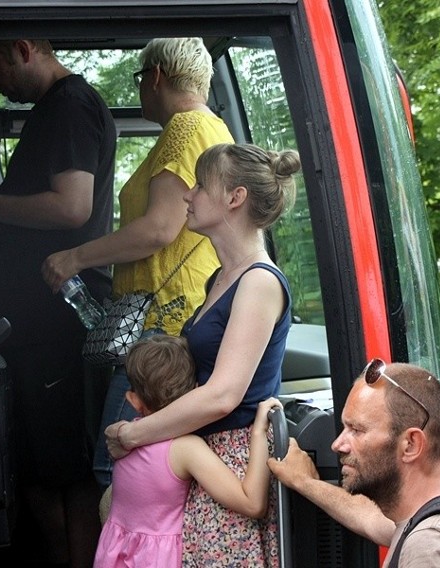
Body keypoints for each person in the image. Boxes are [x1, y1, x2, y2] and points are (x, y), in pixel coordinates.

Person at [41, 37, 232, 491]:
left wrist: (75, 257)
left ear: (156, 77)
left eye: (141, 78)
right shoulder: (216, 129)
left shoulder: (184, 129)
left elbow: (158, 229)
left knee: (117, 464)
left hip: (159, 326)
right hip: (180, 316)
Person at [105, 142, 300, 566]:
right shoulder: (221, 278)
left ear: (235, 198)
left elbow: (222, 395)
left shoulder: (259, 283)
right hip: (201, 455)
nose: (187, 195)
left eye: (200, 185)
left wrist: (135, 434)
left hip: (232, 462)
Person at [0, 38, 116, 567]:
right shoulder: (53, 111)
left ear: (26, 49)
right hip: (33, 326)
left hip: (55, 325)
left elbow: (72, 207)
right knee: (40, 468)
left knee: (64, 470)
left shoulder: (70, 106)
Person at [268, 359, 440, 567]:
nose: (337, 444)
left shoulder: (429, 549)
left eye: (356, 430)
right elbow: (370, 519)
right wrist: (304, 482)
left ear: (411, 444)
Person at [94, 335, 282, 567]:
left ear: (133, 400)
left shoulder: (123, 438)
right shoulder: (184, 449)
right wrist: (259, 434)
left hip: (113, 555)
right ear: (195, 392)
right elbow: (252, 503)